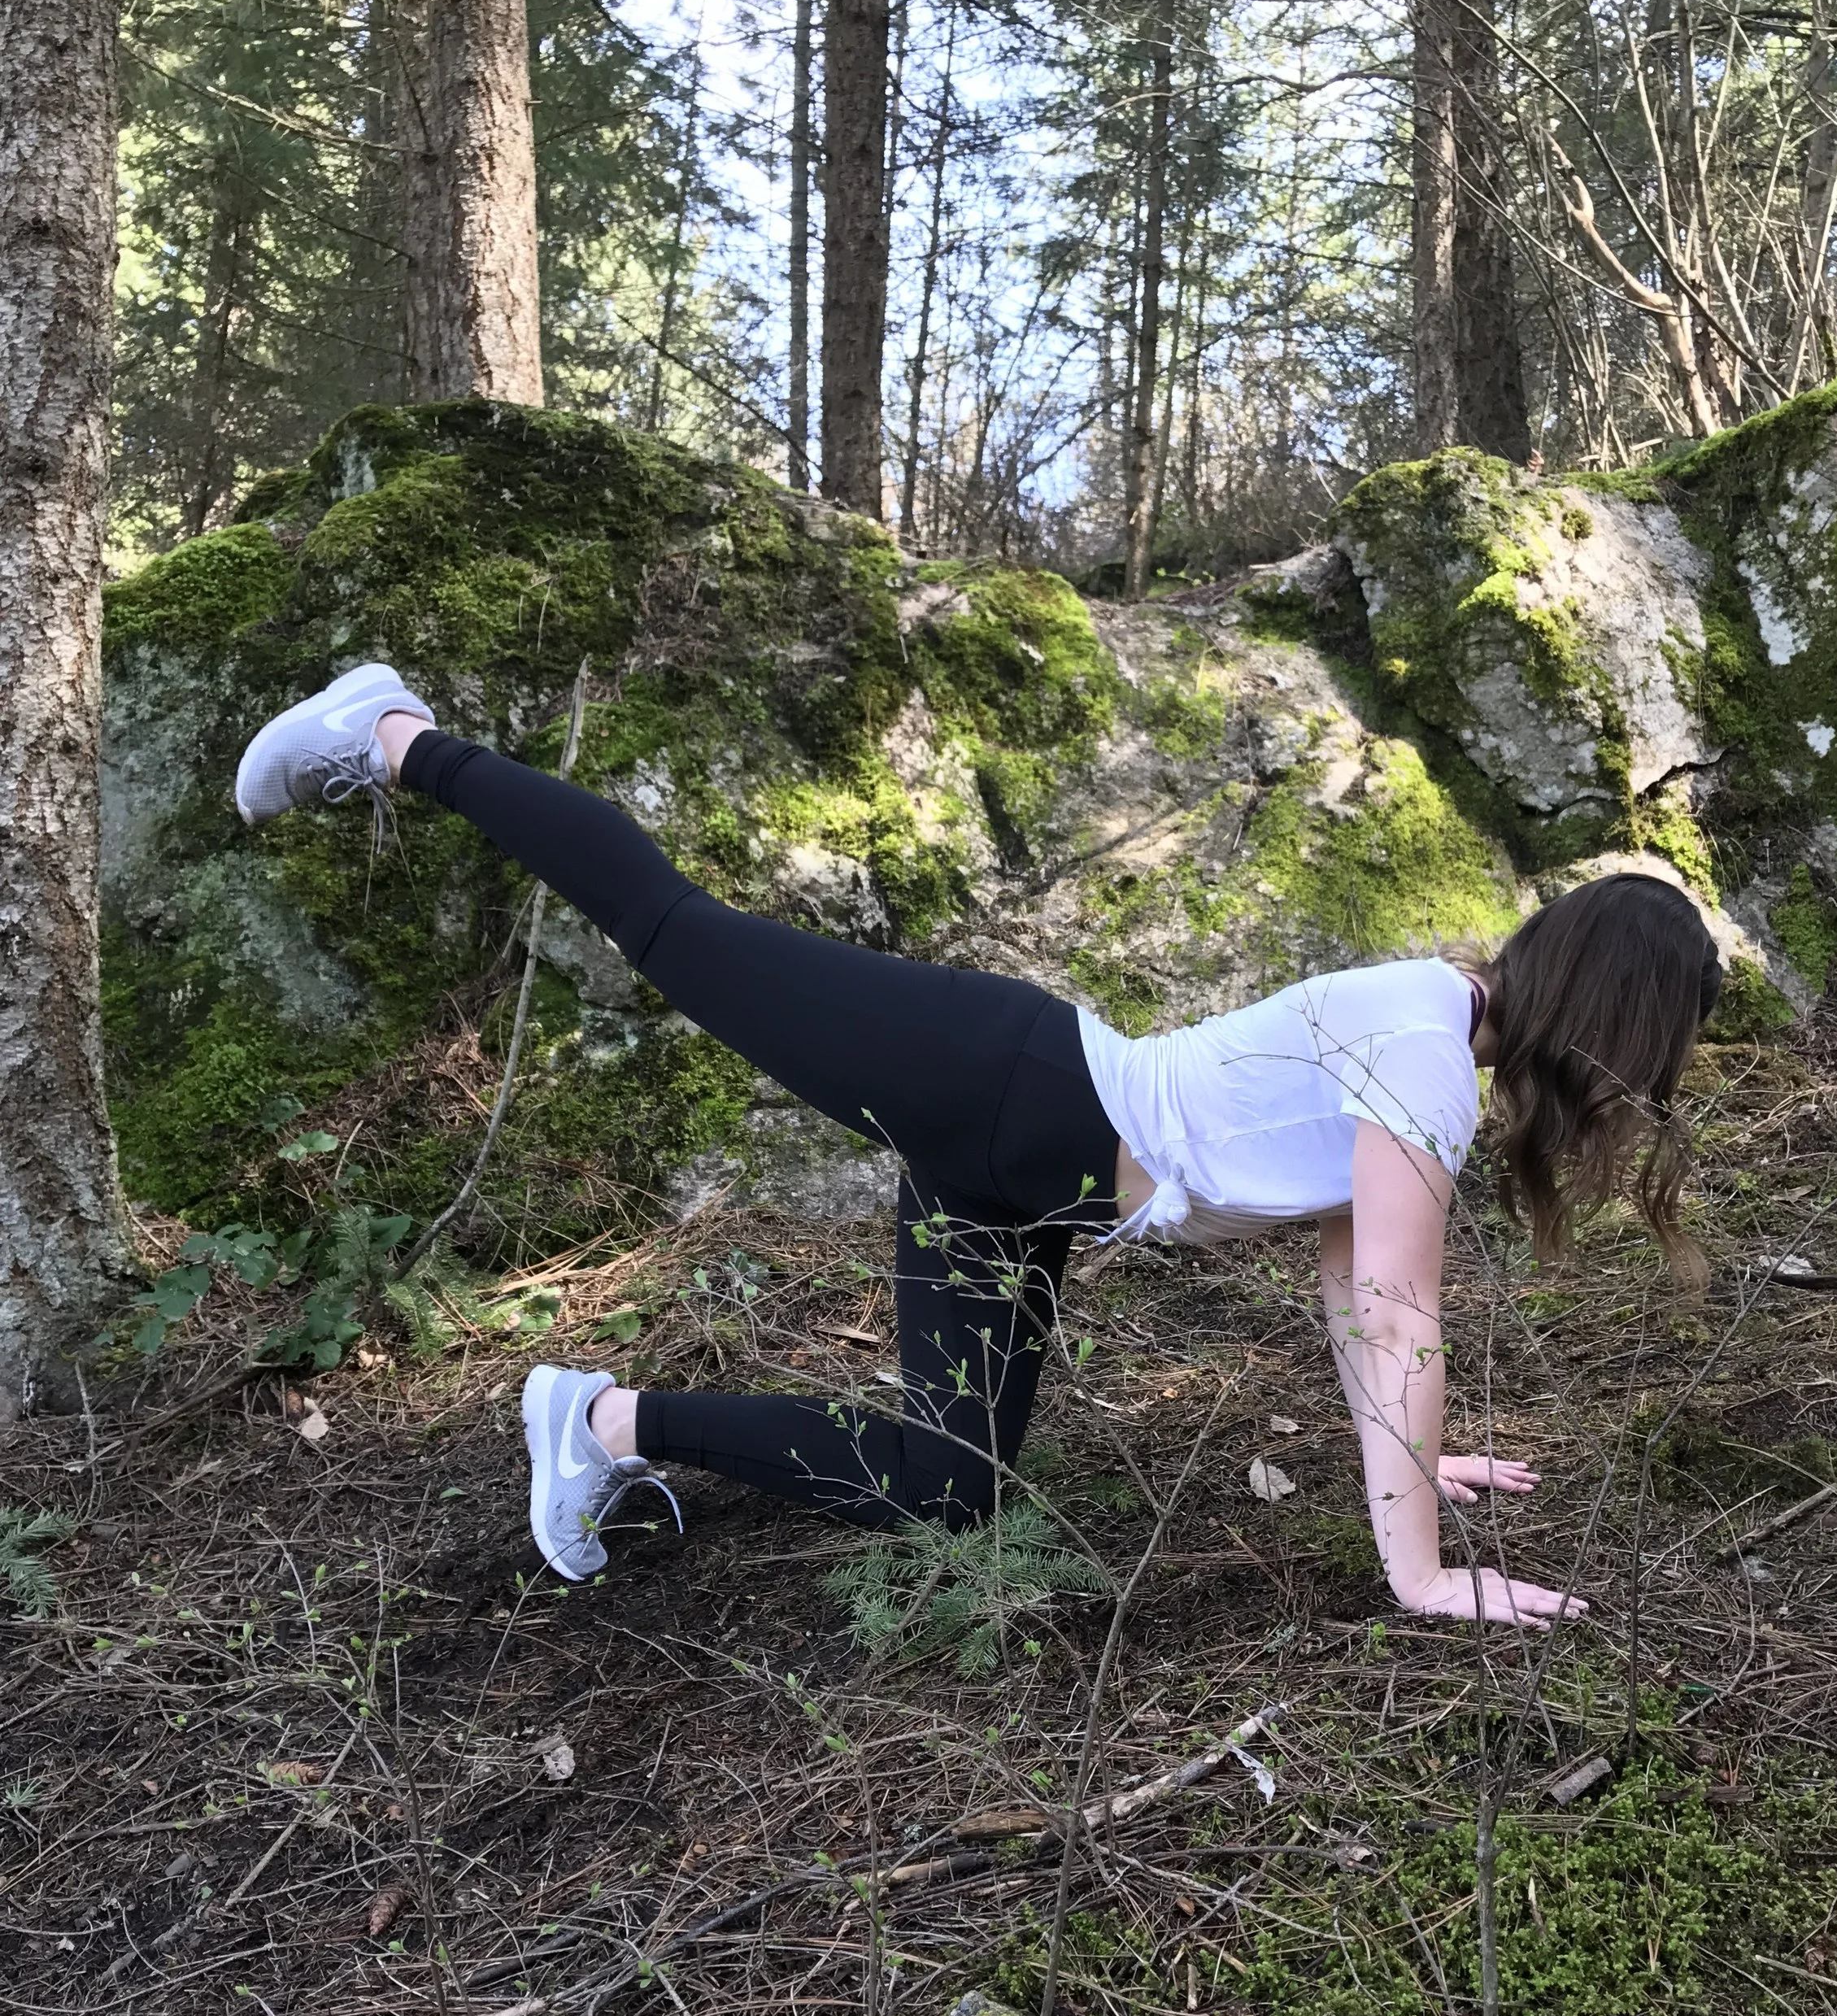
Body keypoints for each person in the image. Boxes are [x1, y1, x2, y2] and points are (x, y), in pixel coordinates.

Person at [235, 664, 1722, 1626]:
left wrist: (1415, 1458)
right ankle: (398, 735)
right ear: (1616, 1021)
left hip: (1013, 1181)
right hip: (997, 1082)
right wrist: (1421, 1577)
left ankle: (601, 1425)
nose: (1637, 1090)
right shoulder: (1425, 1054)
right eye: (1651, 1055)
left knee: (949, 1482)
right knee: (674, 928)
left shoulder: (1427, 1039)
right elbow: (1401, 1315)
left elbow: (1353, 1292)